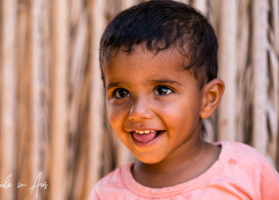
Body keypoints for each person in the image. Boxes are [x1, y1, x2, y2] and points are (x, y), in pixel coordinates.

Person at [88, 0, 279, 199]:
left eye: (162, 90)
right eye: (121, 93)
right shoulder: (106, 193)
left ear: (208, 99)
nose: (137, 113)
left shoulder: (248, 172)